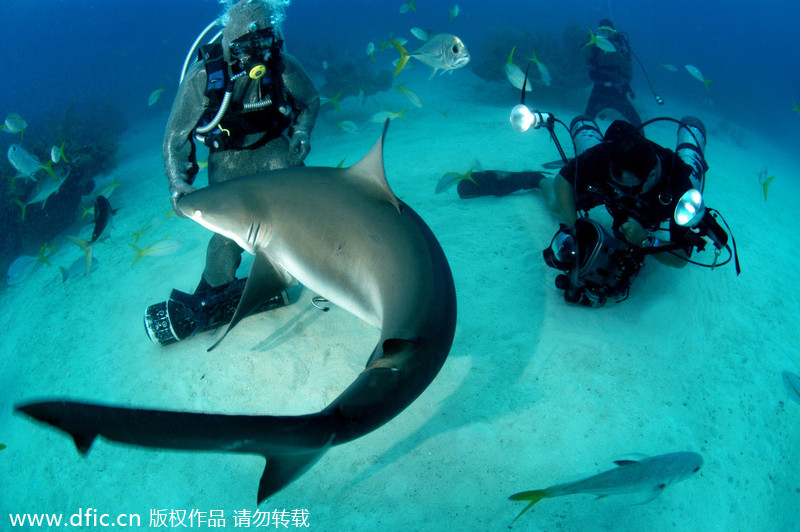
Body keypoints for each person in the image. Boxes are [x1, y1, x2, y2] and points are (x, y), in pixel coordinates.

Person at [457, 114, 710, 306]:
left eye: (628, 188)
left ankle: (692, 134)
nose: (623, 191)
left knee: (692, 167)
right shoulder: (609, 153)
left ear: (651, 176)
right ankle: (536, 178)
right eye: (616, 182)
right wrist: (572, 225)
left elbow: (680, 260)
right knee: (560, 201)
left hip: (659, 205)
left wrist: (646, 239)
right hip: (608, 187)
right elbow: (564, 180)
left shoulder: (681, 191)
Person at [164, 0, 320, 293]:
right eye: (246, 45)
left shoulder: (282, 64)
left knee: (305, 205)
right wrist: (177, 181)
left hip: (273, 146)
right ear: (231, 40)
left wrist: (302, 132)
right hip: (228, 159)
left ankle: (317, 262)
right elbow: (175, 135)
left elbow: (310, 100)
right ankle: (214, 291)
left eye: (262, 41)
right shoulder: (204, 76)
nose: (256, 55)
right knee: (228, 235)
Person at [581, 19, 642, 128]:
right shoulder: (595, 46)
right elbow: (584, 60)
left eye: (609, 32)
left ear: (613, 33)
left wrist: (617, 54)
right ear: (599, 32)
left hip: (617, 92)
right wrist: (588, 45)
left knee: (637, 122)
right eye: (603, 31)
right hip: (598, 90)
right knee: (587, 119)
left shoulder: (620, 47)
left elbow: (628, 68)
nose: (606, 35)